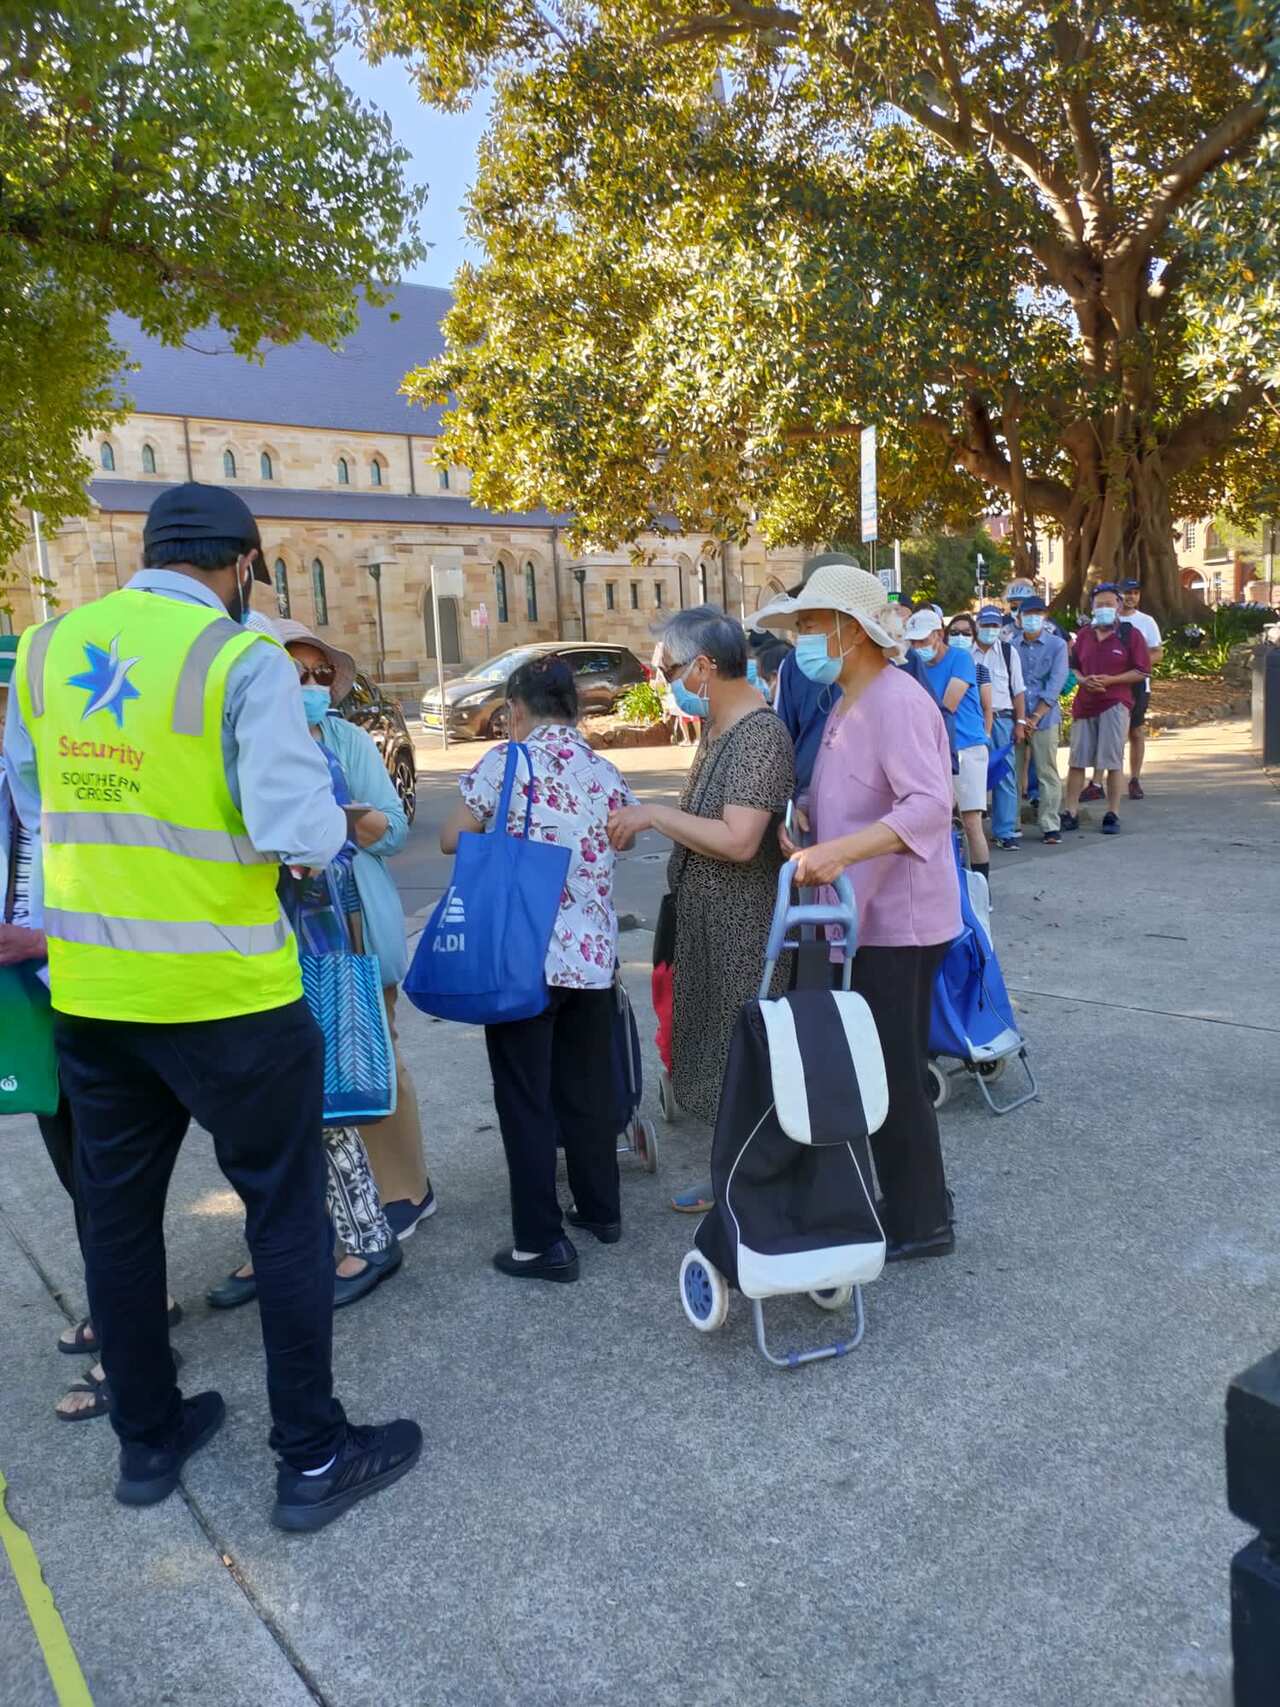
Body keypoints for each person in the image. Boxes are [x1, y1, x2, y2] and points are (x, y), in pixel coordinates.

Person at [3, 482, 420, 1530]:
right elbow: (294, 829)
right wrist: (341, 824)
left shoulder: (50, 649)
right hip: (229, 992)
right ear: (241, 566)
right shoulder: (239, 660)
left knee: (117, 1222)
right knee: (284, 1218)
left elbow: (31, 800)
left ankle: (147, 1443)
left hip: (95, 995)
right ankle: (312, 1460)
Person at [206, 617, 434, 1312]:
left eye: (317, 675)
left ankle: (403, 1192)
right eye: (294, 674)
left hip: (349, 923)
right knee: (284, 1093)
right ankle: (297, 1230)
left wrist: (334, 815)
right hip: (271, 938)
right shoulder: (239, 745)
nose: (308, 686)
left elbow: (390, 828)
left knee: (372, 1060)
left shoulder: (346, 740)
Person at [755, 563, 961, 1260]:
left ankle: (921, 1219)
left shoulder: (894, 699)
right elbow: (856, 792)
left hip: (899, 920)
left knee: (895, 1072)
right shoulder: (850, 697)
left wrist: (838, 851)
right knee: (884, 1066)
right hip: (864, 914)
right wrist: (812, 827)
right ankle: (912, 1200)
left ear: (851, 630)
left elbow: (929, 805)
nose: (803, 639)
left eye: (811, 625)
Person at [441, 655, 635, 1284]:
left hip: (521, 958)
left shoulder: (505, 763)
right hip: (591, 958)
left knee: (526, 1100)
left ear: (516, 711)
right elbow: (622, 840)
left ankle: (539, 1243)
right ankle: (601, 1209)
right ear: (575, 710)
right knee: (586, 1089)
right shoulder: (604, 772)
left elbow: (451, 837)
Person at [607, 606, 795, 1215]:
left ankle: (752, 1186)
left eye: (672, 668)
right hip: (708, 922)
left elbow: (740, 841)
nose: (667, 681)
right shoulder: (721, 728)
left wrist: (655, 814)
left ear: (706, 667)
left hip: (744, 927)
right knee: (717, 1053)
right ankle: (737, 1180)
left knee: (743, 1059)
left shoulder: (760, 734)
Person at [902, 607, 991, 885]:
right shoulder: (912, 664)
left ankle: (980, 886)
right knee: (939, 821)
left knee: (971, 821)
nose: (917, 647)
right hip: (932, 750)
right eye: (913, 641)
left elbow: (947, 705)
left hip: (966, 748)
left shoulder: (960, 659)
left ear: (939, 635)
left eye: (922, 640)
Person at [1061, 583, 1151, 836]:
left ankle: (1112, 812)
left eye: (1109, 604)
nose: (1104, 609)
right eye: (1099, 604)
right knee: (1077, 760)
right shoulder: (1085, 635)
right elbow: (1073, 667)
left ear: (1119, 607)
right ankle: (1071, 810)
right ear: (1091, 607)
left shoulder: (1130, 635)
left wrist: (1110, 680)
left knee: (1112, 761)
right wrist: (1082, 680)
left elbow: (1142, 670)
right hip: (1085, 704)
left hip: (1114, 703)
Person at [773, 554, 850, 803]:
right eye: (802, 625)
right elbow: (783, 738)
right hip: (808, 797)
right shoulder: (795, 664)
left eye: (811, 624)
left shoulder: (896, 669)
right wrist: (790, 805)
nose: (805, 634)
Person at [1012, 597, 1069, 844]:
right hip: (1017, 717)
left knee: (1047, 771)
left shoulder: (1057, 645)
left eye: (1038, 613)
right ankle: (1010, 825)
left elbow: (1056, 683)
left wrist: (1035, 716)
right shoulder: (1011, 646)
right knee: (1012, 773)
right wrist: (1021, 718)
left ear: (1045, 617)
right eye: (1028, 614)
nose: (1033, 618)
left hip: (1045, 718)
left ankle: (1049, 824)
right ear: (1019, 618)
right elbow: (1011, 684)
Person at [974, 604, 1027, 852]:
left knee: (1005, 775)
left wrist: (1020, 722)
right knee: (970, 775)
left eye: (994, 625)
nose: (989, 629)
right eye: (985, 624)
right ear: (977, 625)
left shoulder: (1008, 652)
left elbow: (1018, 691)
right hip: (972, 720)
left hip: (1003, 719)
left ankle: (1005, 831)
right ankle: (970, 831)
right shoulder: (965, 652)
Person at [1118, 579, 1162, 799]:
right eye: (1127, 592)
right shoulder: (1107, 619)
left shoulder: (1146, 621)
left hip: (1137, 685)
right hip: (1111, 684)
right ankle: (1099, 781)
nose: (1131, 597)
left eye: (1135, 593)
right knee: (1110, 733)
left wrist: (1139, 665)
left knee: (1135, 730)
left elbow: (1157, 652)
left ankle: (1134, 779)